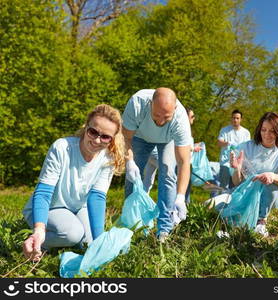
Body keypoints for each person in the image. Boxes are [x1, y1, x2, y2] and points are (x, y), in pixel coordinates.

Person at [22, 104, 125, 261]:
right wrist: (39, 229)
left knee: (90, 243)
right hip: (49, 208)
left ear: (112, 139)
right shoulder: (62, 148)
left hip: (77, 208)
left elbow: (96, 197)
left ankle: (68, 239)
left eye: (105, 137)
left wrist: (99, 243)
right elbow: (43, 193)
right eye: (93, 132)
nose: (97, 140)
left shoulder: (108, 158)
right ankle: (36, 243)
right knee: (73, 234)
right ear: (86, 127)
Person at [122, 88, 192, 242]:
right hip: (139, 137)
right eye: (156, 115)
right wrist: (129, 162)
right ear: (150, 105)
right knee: (132, 177)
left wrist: (180, 197)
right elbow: (125, 137)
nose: (160, 121)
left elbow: (183, 161)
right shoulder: (137, 103)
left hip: (167, 140)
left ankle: (164, 230)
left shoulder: (180, 120)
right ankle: (130, 224)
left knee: (168, 174)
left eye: (166, 117)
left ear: (175, 109)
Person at [230, 112, 278, 237]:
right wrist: (237, 169)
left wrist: (272, 176)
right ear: (259, 130)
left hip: (270, 198)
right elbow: (237, 182)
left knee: (271, 184)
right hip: (247, 194)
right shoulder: (245, 147)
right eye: (264, 130)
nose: (267, 135)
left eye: (272, 131)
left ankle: (261, 221)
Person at [217, 109, 251, 191]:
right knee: (223, 187)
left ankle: (233, 203)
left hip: (239, 164)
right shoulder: (224, 130)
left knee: (236, 186)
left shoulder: (246, 132)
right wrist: (227, 143)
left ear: (241, 119)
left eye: (237, 118)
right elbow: (219, 142)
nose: (235, 120)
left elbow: (248, 148)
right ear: (231, 118)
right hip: (225, 162)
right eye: (233, 118)